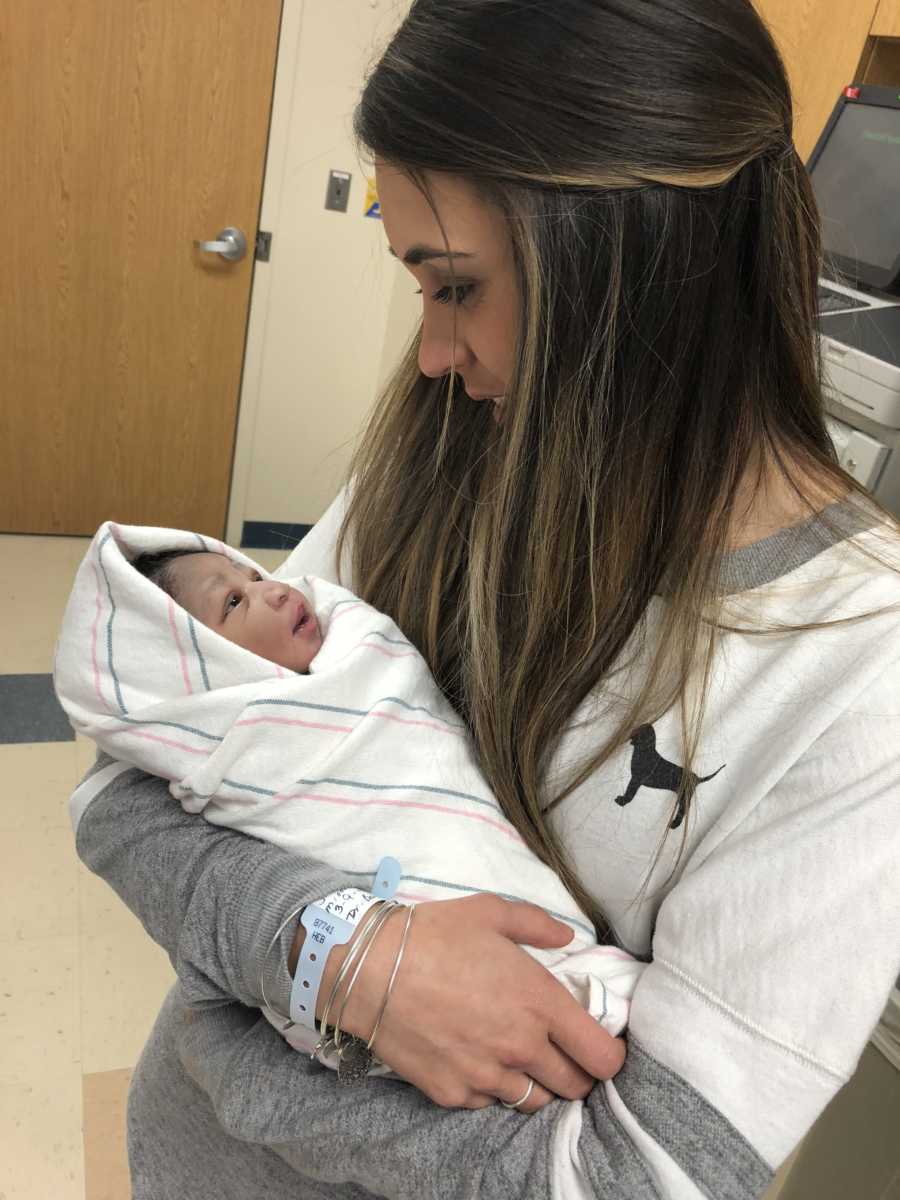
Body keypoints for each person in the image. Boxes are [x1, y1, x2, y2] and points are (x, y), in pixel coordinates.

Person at [70, 1, 900, 1197]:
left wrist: (241, 1041)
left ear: (639, 260)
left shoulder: (852, 669)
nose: (431, 357)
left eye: (455, 286)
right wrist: (334, 960)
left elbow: (646, 1172)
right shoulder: (453, 448)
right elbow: (128, 776)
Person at [55, 522, 642, 1094]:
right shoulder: (227, 737)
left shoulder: (351, 645)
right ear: (197, 671)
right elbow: (116, 815)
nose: (277, 587)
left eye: (252, 575)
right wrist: (344, 952)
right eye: (234, 600)